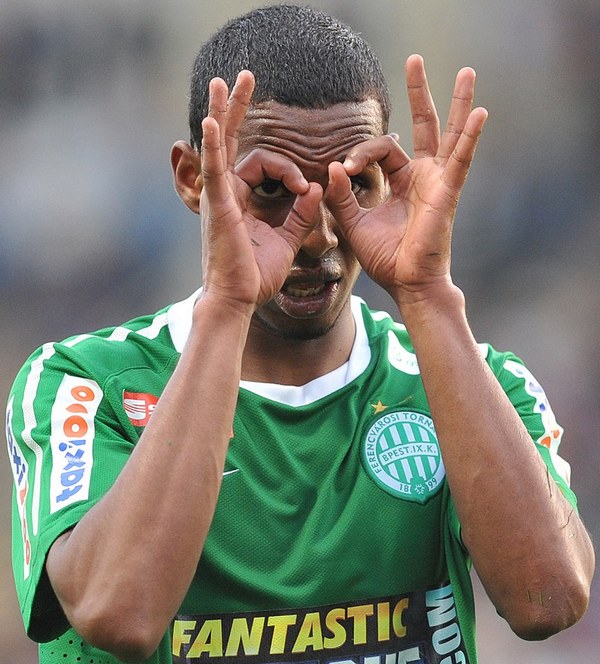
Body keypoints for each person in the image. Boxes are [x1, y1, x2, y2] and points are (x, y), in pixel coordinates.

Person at [6, 4, 594, 664]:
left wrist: (427, 296)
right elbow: (119, 613)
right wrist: (228, 304)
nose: (316, 236)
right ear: (194, 180)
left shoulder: (476, 384)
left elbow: (548, 602)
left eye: (355, 184)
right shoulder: (85, 384)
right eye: (270, 190)